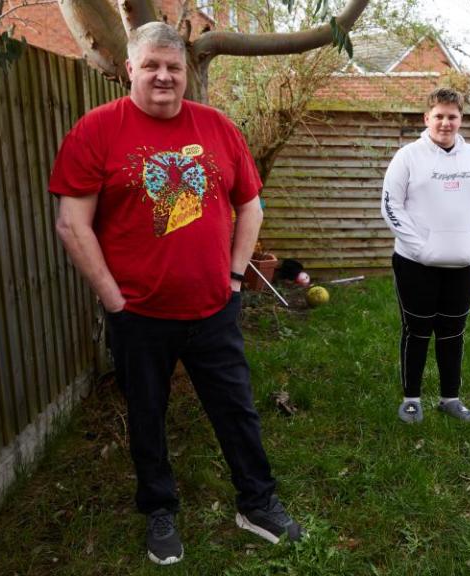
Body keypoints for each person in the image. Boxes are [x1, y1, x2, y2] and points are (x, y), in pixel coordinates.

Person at [49, 22, 302, 566]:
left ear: (185, 72)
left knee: (236, 411)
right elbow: (73, 224)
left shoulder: (217, 128)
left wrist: (235, 278)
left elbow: (251, 206)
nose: (164, 76)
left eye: (174, 67)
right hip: (139, 315)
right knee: (147, 415)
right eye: (152, 66)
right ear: (130, 70)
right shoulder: (97, 131)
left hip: (213, 309)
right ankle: (160, 509)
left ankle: (257, 503)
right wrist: (114, 300)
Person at [380, 88, 470, 424]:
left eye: (452, 116)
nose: (445, 123)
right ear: (427, 118)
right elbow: (391, 206)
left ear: (461, 119)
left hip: (464, 263)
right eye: (439, 116)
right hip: (414, 263)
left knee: (452, 331)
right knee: (417, 330)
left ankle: (450, 398)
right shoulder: (408, 157)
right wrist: (421, 248)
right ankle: (411, 399)